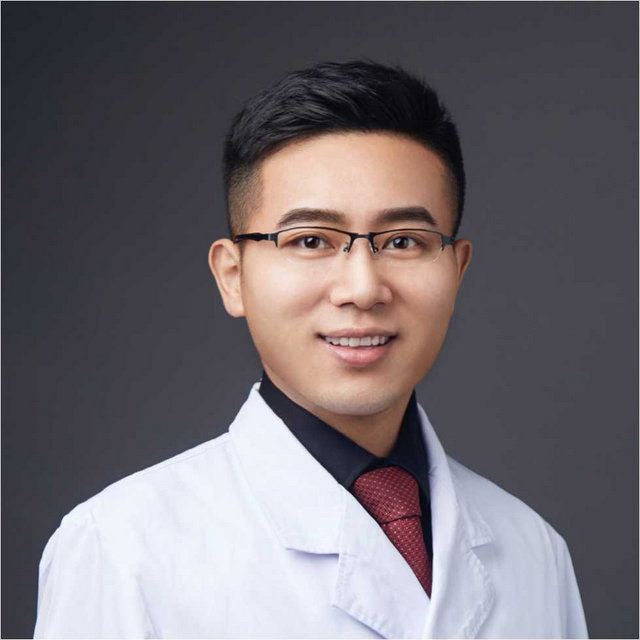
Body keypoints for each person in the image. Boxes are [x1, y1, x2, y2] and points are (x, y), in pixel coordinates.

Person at [34, 60, 588, 639]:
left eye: (404, 240)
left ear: (457, 270)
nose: (362, 289)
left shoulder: (533, 551)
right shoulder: (123, 550)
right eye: (310, 240)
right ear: (232, 276)